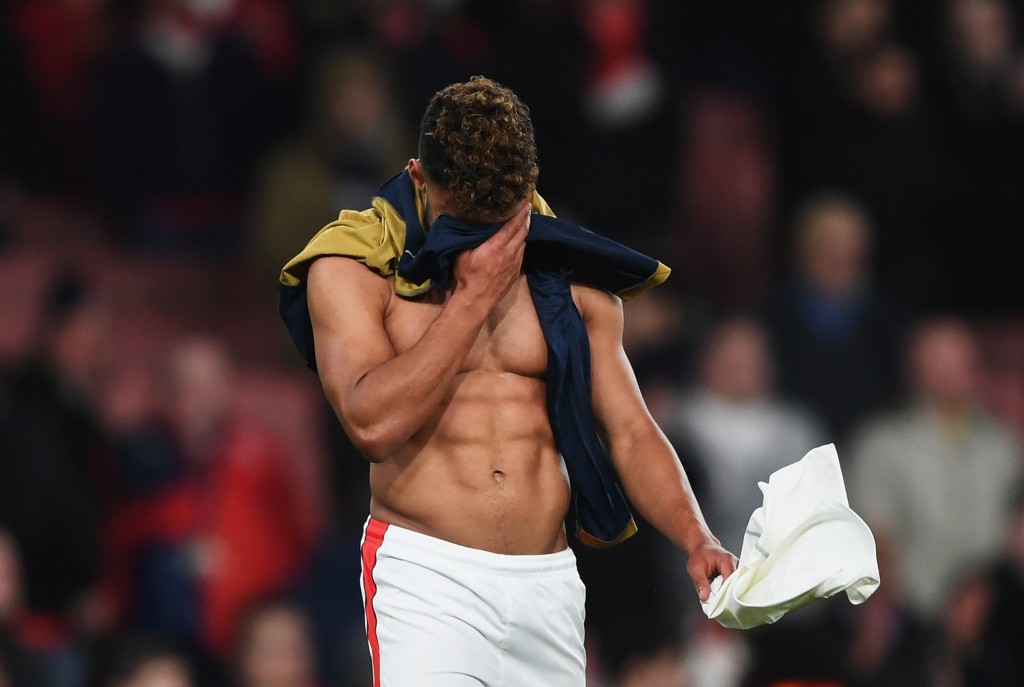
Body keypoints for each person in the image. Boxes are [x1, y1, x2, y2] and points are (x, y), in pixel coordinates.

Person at [278, 76, 736, 686]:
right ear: (418, 178)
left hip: (547, 583)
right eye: (464, 222)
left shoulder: (573, 282)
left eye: (501, 221)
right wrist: (472, 300)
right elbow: (371, 423)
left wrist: (695, 535)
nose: (484, 241)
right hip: (426, 576)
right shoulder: (351, 269)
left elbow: (629, 430)